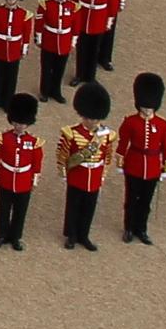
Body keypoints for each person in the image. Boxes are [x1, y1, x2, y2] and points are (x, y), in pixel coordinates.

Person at [116, 73, 166, 244]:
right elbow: (123, 143)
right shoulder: (130, 122)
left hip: (152, 168)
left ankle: (141, 229)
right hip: (134, 164)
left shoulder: (162, 125)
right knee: (131, 200)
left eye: (150, 107)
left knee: (145, 202)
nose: (148, 109)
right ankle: (128, 228)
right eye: (145, 106)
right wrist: (120, 162)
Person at [56, 82, 116, 251]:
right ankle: (71, 235)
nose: (92, 121)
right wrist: (63, 170)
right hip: (78, 173)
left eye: (95, 118)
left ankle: (84, 235)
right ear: (82, 115)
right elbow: (64, 153)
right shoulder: (72, 133)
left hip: (94, 174)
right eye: (89, 118)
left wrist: (103, 173)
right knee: (73, 206)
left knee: (89, 207)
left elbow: (107, 155)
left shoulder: (105, 135)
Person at [0, 95, 43, 250]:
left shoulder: (34, 142)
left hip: (24, 179)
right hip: (6, 176)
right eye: (17, 122)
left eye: (23, 123)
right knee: (3, 209)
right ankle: (1, 235)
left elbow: (36, 162)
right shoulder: (2, 138)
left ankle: (15, 237)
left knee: (20, 211)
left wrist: (35, 179)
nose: (19, 126)